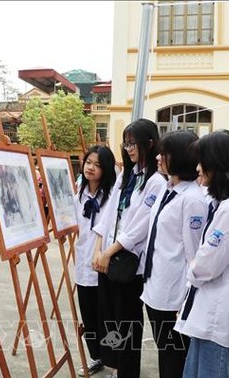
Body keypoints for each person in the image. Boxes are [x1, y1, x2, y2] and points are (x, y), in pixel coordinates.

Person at [174, 130, 229, 377]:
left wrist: (192, 266)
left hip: (220, 323)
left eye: (203, 162)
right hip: (209, 319)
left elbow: (206, 266)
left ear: (218, 164)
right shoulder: (227, 203)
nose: (198, 168)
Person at [92, 118, 166, 378]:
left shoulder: (157, 182)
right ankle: (118, 366)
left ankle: (127, 371)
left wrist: (109, 251)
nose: (129, 148)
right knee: (110, 318)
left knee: (128, 321)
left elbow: (139, 228)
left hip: (129, 262)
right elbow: (110, 211)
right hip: (110, 256)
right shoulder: (127, 174)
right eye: (126, 143)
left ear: (149, 143)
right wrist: (98, 247)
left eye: (133, 143)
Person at [140, 131, 206, 378]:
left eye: (164, 153)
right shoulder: (168, 189)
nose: (157, 157)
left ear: (178, 157)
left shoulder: (192, 199)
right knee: (165, 351)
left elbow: (194, 253)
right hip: (156, 287)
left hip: (174, 294)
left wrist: (188, 299)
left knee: (174, 356)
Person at [73, 145, 117, 376]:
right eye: (88, 162)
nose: (91, 167)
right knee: (88, 316)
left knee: (106, 316)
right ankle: (95, 357)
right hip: (82, 263)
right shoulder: (79, 191)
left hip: (102, 264)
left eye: (98, 164)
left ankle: (115, 361)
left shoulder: (112, 195)